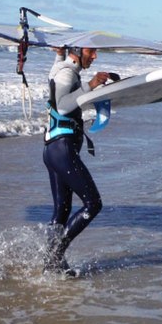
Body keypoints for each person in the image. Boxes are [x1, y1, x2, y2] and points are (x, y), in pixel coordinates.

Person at [42, 45, 114, 276]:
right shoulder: (67, 73)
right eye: (91, 51)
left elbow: (57, 70)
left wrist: (59, 54)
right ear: (77, 51)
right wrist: (90, 85)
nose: (95, 56)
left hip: (53, 150)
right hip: (62, 150)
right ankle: (55, 255)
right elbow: (63, 107)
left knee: (62, 211)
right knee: (93, 204)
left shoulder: (62, 67)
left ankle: (51, 265)